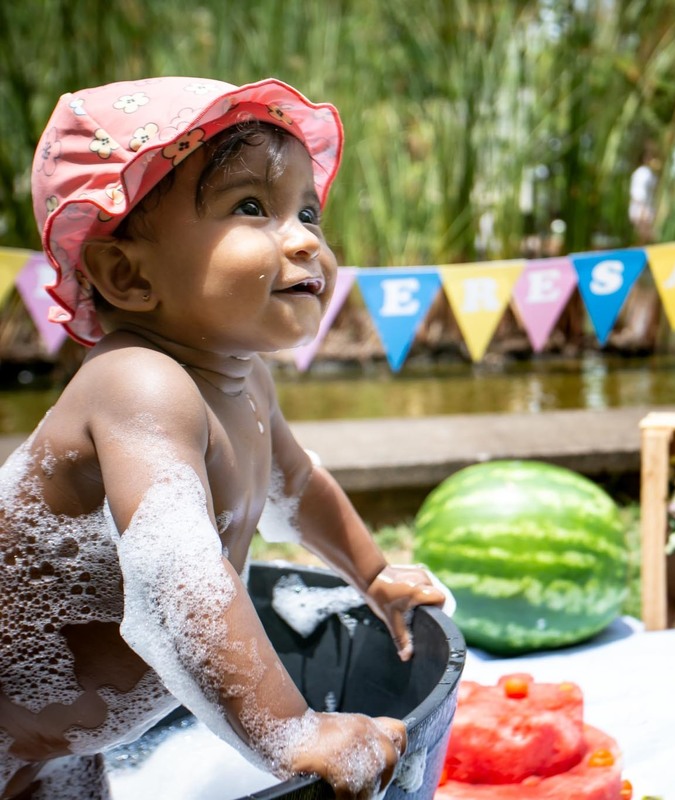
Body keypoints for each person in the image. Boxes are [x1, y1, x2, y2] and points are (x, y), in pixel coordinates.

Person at [0, 76, 447, 800]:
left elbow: (298, 486)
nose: (306, 239)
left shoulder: (246, 382)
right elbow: (179, 580)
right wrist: (293, 731)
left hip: (55, 742)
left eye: (308, 211)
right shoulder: (137, 384)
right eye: (251, 207)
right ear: (126, 273)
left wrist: (372, 574)